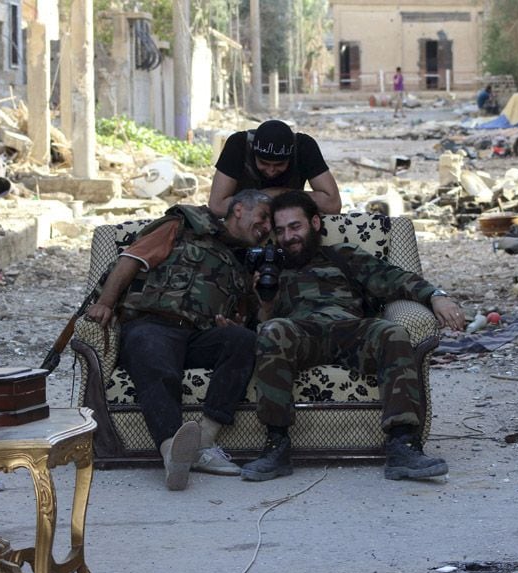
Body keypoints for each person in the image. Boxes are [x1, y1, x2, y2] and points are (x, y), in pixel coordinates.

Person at [239, 190, 466, 482]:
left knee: (393, 333)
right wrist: (265, 303)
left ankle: (403, 446)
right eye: (281, 231)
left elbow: (395, 279)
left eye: (295, 227)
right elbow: (257, 326)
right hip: (301, 334)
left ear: (315, 223)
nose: (288, 237)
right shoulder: (269, 268)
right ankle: (276, 446)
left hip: (350, 331)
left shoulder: (342, 255)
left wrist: (436, 297)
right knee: (272, 331)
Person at [85, 190, 273, 491]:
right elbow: (131, 260)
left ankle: (202, 442)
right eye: (263, 218)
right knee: (151, 350)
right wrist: (106, 302)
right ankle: (172, 450)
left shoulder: (242, 265)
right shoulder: (183, 227)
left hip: (196, 336)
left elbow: (238, 319)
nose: (266, 228)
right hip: (153, 323)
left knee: (242, 340)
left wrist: (230, 323)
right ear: (238, 210)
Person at [209, 119, 341, 218]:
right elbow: (217, 206)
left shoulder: (304, 147)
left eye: (279, 165)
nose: (271, 170)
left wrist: (278, 193)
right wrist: (272, 196)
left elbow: (333, 205)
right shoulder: (238, 145)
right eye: (263, 163)